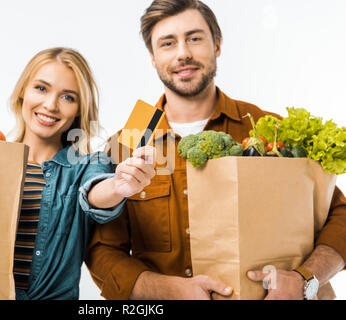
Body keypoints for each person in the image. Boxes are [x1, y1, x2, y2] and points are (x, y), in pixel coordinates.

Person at [85, 0, 346, 300]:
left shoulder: (267, 129)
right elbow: (102, 251)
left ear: (217, 45)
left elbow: (339, 216)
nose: (183, 53)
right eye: (168, 43)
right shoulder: (126, 142)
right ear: (153, 58)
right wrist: (173, 290)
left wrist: (305, 279)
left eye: (194, 38)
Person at [0, 47, 156, 300]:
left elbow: (95, 193)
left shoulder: (87, 165)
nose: (51, 105)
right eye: (41, 88)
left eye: (68, 97)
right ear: (23, 91)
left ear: (79, 108)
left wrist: (119, 186)